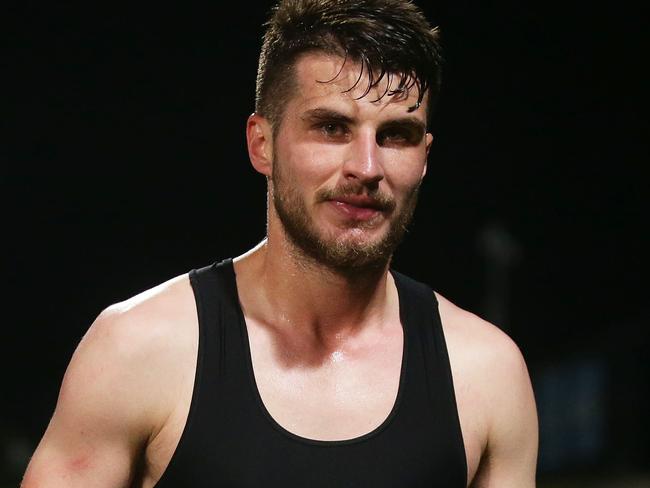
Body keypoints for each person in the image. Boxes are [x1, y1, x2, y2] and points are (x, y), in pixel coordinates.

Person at [22, 0, 538, 486]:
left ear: (424, 157)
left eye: (396, 135)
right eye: (333, 127)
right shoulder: (139, 351)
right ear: (262, 144)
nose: (366, 167)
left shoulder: (486, 374)